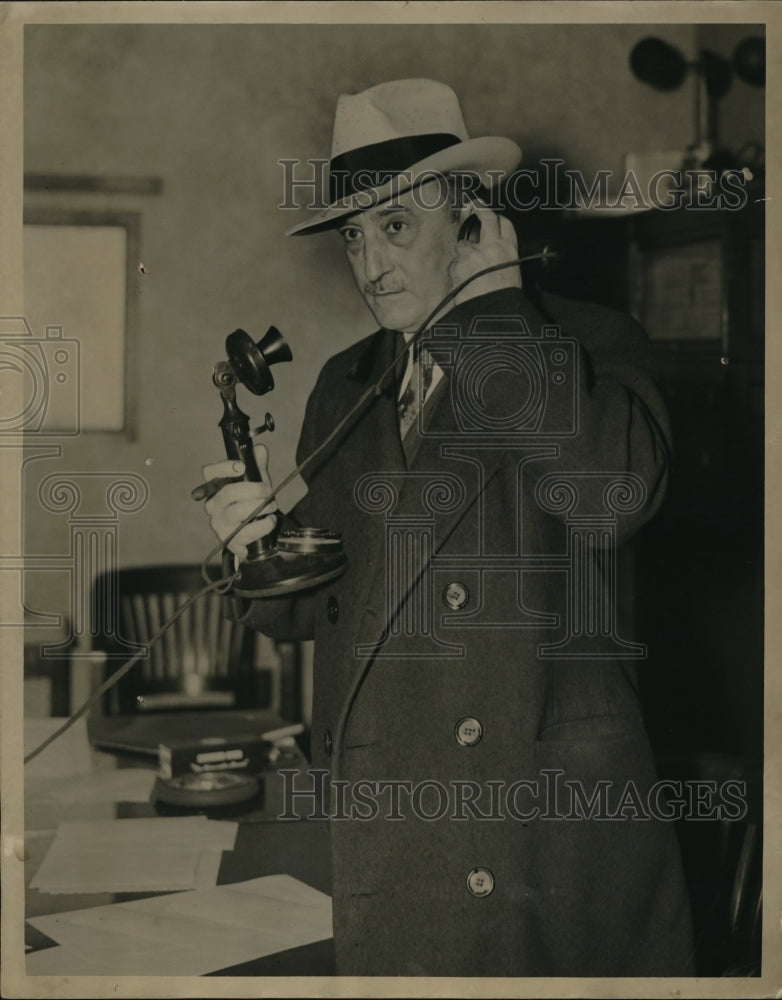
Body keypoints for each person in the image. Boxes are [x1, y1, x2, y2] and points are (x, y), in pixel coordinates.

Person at [201, 79, 694, 977]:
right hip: (391, 832)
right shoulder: (348, 386)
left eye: (395, 227)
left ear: (473, 223)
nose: (368, 260)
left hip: (539, 840)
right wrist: (255, 549)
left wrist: (491, 316)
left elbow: (608, 494)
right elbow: (309, 612)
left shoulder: (586, 345)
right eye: (355, 234)